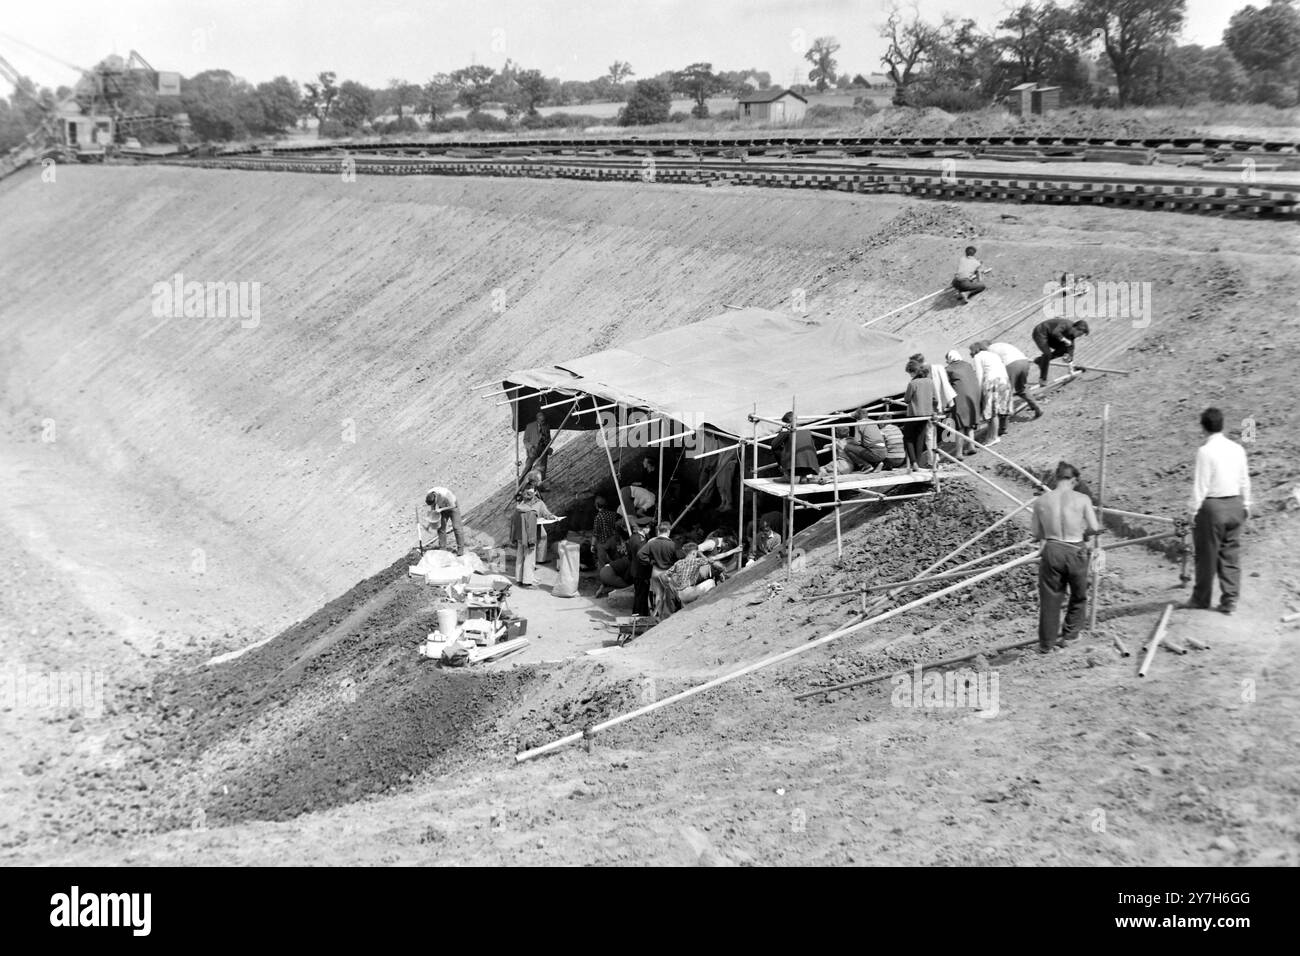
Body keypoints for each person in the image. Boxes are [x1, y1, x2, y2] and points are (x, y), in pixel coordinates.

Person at [1186, 407, 1252, 615]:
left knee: (1206, 555)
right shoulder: (1237, 449)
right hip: (1235, 504)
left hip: (1213, 508)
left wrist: (1192, 511)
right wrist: (1247, 504)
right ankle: (1230, 600)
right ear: (1222, 425)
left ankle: (1201, 599)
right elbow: (1244, 480)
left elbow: (1201, 485)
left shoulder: (1205, 451)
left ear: (1203, 427)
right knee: (1230, 555)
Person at [1031, 462, 1102, 652]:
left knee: (1050, 599)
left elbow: (1036, 533)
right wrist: (1084, 533)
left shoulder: (1041, 501)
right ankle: (1070, 636)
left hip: (1053, 550)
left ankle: (1046, 645)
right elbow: (1094, 528)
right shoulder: (1083, 499)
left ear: (1056, 479)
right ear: (1074, 480)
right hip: (1076, 550)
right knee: (1078, 595)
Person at [511, 485, 559, 587]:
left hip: (520, 534)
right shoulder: (538, 503)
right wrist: (552, 516)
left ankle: (519, 579)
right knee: (529, 557)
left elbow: (514, 520)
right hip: (530, 535)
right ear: (536, 492)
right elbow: (546, 514)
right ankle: (527, 581)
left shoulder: (520, 504)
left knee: (520, 556)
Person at [988, 340, 1042, 422]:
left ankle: (1003, 427)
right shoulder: (1001, 345)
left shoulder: (989, 350)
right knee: (1022, 388)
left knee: (1005, 394)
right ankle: (1037, 407)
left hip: (1011, 365)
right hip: (1024, 361)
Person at [969, 341, 1011, 445]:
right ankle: (1002, 429)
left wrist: (978, 392)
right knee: (1001, 408)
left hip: (992, 381)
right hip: (1004, 380)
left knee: (992, 411)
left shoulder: (978, 357)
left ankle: (993, 437)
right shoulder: (993, 355)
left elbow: (979, 375)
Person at [943, 350, 981, 456]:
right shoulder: (968, 365)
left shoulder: (948, 369)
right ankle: (971, 446)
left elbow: (945, 386)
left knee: (960, 425)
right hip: (974, 395)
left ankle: (959, 453)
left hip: (960, 397)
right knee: (970, 422)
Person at [637, 522, 680, 615]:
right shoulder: (672, 544)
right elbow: (678, 558)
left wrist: (650, 561)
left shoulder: (652, 543)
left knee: (658, 594)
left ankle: (658, 615)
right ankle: (665, 616)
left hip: (655, 571)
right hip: (667, 572)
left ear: (658, 531)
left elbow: (640, 554)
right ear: (668, 531)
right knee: (668, 595)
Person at [1031, 318, 1090, 384]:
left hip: (1051, 337)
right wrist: (1065, 340)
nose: (1079, 336)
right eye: (1080, 334)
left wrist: (1071, 368)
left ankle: (1040, 360)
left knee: (1065, 349)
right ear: (1076, 328)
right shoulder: (1066, 324)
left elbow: (1070, 349)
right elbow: (1055, 332)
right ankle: (1042, 379)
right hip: (1040, 332)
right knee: (1047, 354)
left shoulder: (1072, 333)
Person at [769, 411, 819, 484]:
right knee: (802, 449)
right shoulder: (805, 429)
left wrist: (782, 434)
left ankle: (786, 475)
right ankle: (803, 477)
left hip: (794, 464)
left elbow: (774, 444)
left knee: (776, 449)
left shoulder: (788, 429)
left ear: (786, 422)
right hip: (811, 465)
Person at [902, 359, 935, 471]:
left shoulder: (913, 383)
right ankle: (918, 464)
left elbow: (906, 399)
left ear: (912, 372)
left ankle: (914, 463)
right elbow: (934, 398)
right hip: (926, 414)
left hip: (914, 414)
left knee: (908, 438)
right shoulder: (930, 381)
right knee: (920, 439)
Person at [421, 486, 465, 555]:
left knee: (456, 527)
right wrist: (431, 520)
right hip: (442, 507)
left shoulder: (445, 494)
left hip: (453, 507)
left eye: (434, 503)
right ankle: (442, 549)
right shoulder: (430, 494)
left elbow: (453, 505)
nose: (433, 504)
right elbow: (433, 508)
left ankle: (460, 550)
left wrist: (441, 509)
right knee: (441, 527)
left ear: (435, 497)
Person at [591, 494, 622, 568]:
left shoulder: (598, 517)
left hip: (603, 543)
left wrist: (592, 545)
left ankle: (603, 574)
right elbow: (620, 519)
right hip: (613, 539)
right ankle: (619, 569)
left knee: (602, 562)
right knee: (616, 558)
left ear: (597, 506)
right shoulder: (612, 514)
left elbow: (595, 534)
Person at [522, 411, 553, 482]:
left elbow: (548, 438)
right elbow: (525, 440)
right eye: (541, 421)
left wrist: (548, 446)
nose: (543, 422)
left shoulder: (546, 426)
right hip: (533, 449)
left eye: (544, 421)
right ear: (537, 419)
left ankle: (540, 484)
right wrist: (530, 447)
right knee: (528, 467)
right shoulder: (530, 426)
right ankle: (521, 483)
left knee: (542, 469)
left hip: (543, 449)